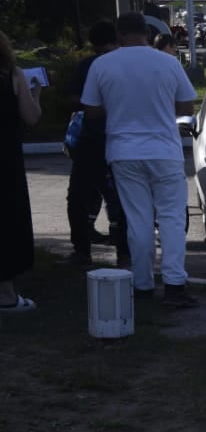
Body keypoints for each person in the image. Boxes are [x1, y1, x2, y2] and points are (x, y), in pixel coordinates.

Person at [81, 11, 199, 308]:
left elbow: (91, 110)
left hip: (123, 151)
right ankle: (174, 285)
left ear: (118, 36)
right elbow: (186, 104)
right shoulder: (168, 62)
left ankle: (143, 285)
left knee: (138, 220)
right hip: (164, 150)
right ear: (147, 33)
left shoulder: (102, 65)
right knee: (171, 218)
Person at [65, 20, 128, 267]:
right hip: (122, 138)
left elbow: (74, 100)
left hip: (91, 141)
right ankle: (124, 251)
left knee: (78, 197)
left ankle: (81, 251)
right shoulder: (125, 64)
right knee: (120, 198)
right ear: (116, 38)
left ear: (92, 42)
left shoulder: (87, 65)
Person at [0, 31, 43, 312]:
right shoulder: (12, 76)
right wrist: (36, 92)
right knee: (7, 222)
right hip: (5, 161)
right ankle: (6, 295)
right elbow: (32, 116)